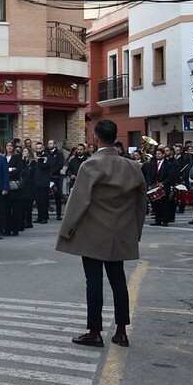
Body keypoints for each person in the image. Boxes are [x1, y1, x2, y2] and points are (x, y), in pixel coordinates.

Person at [57, 120, 145, 348]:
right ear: (115, 137)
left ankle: (94, 330)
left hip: (93, 233)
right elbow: (141, 203)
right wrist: (136, 230)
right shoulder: (133, 167)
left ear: (95, 137)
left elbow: (78, 202)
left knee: (94, 282)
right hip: (121, 233)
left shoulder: (90, 165)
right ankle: (121, 330)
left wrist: (66, 231)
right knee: (118, 281)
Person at [143, 145, 177, 227]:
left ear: (163, 155)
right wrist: (150, 184)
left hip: (164, 187)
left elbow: (171, 175)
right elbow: (149, 175)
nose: (157, 155)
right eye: (156, 154)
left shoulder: (168, 164)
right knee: (155, 204)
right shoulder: (153, 164)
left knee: (165, 204)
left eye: (159, 154)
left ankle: (165, 220)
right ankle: (157, 220)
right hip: (154, 186)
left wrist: (164, 183)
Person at [32, 142, 52, 224]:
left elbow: (44, 166)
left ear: (43, 148)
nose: (38, 150)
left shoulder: (46, 157)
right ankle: (39, 216)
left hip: (44, 182)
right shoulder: (35, 157)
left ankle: (44, 217)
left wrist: (38, 160)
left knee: (43, 201)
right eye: (37, 148)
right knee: (38, 201)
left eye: (40, 148)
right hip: (36, 181)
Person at [46, 139, 64, 220]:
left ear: (55, 144)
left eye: (51, 143)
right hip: (46, 178)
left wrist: (52, 172)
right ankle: (45, 214)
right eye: (48, 143)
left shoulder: (59, 154)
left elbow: (60, 165)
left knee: (57, 196)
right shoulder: (46, 153)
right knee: (45, 196)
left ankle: (59, 214)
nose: (49, 145)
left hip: (55, 177)